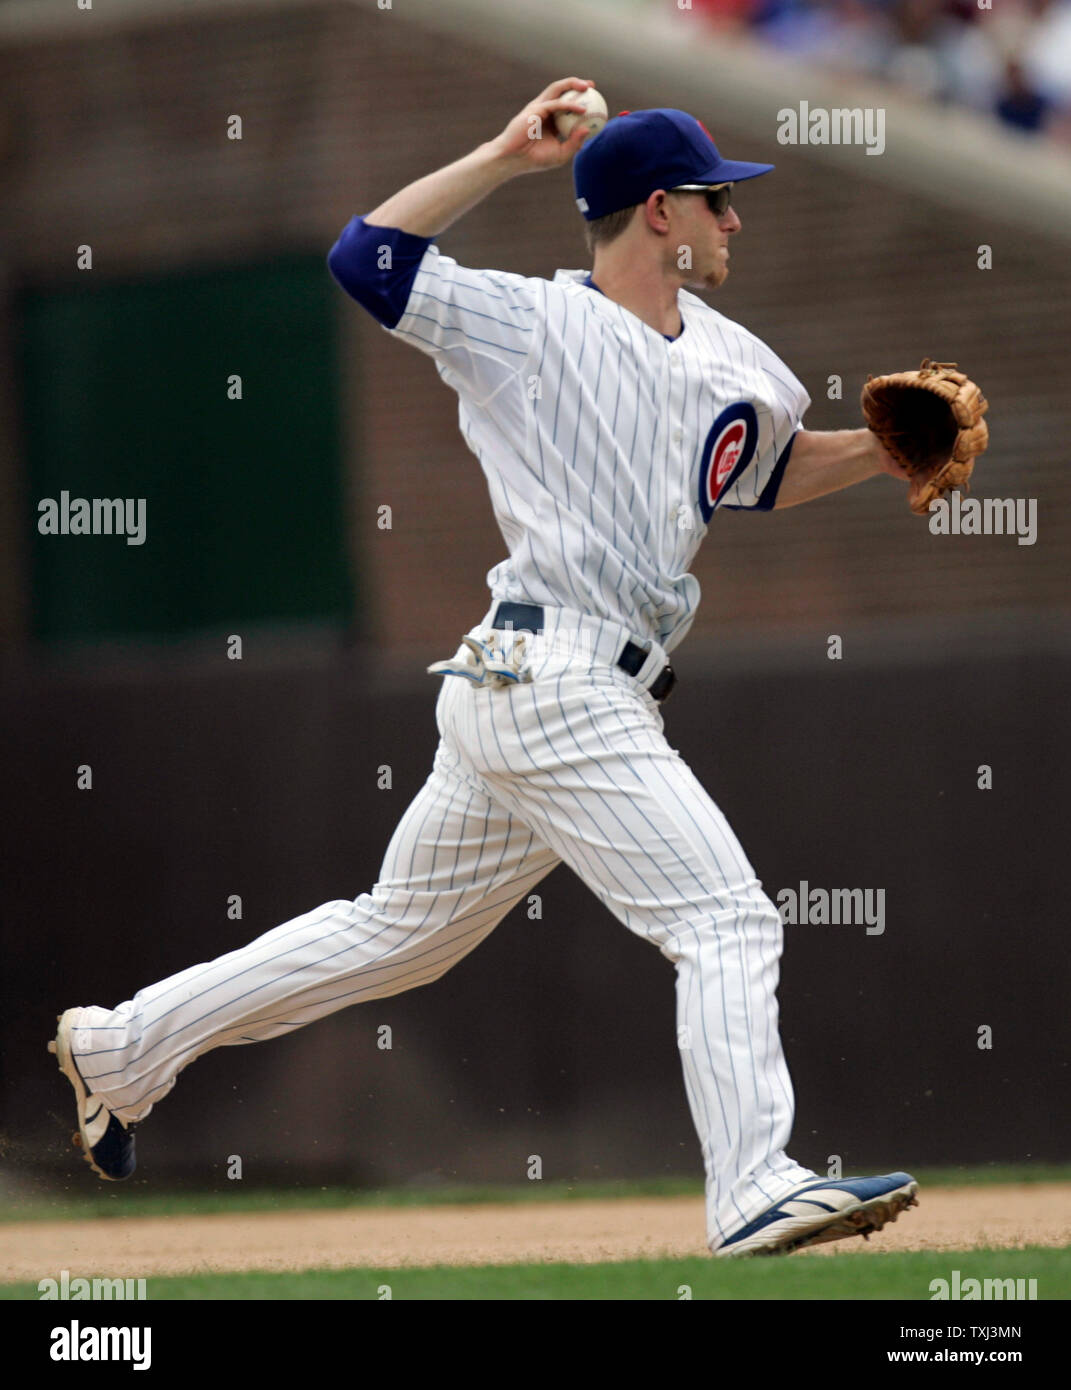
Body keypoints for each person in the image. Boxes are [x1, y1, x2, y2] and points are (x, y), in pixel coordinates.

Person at [50, 80, 919, 1257]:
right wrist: (507, 154)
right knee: (724, 919)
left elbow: (755, 474)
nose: (737, 221)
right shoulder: (523, 325)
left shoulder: (737, 359)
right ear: (659, 210)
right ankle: (752, 1183)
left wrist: (878, 452)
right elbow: (367, 259)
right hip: (555, 669)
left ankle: (123, 1046)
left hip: (545, 689)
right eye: (720, 201)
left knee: (396, 933)